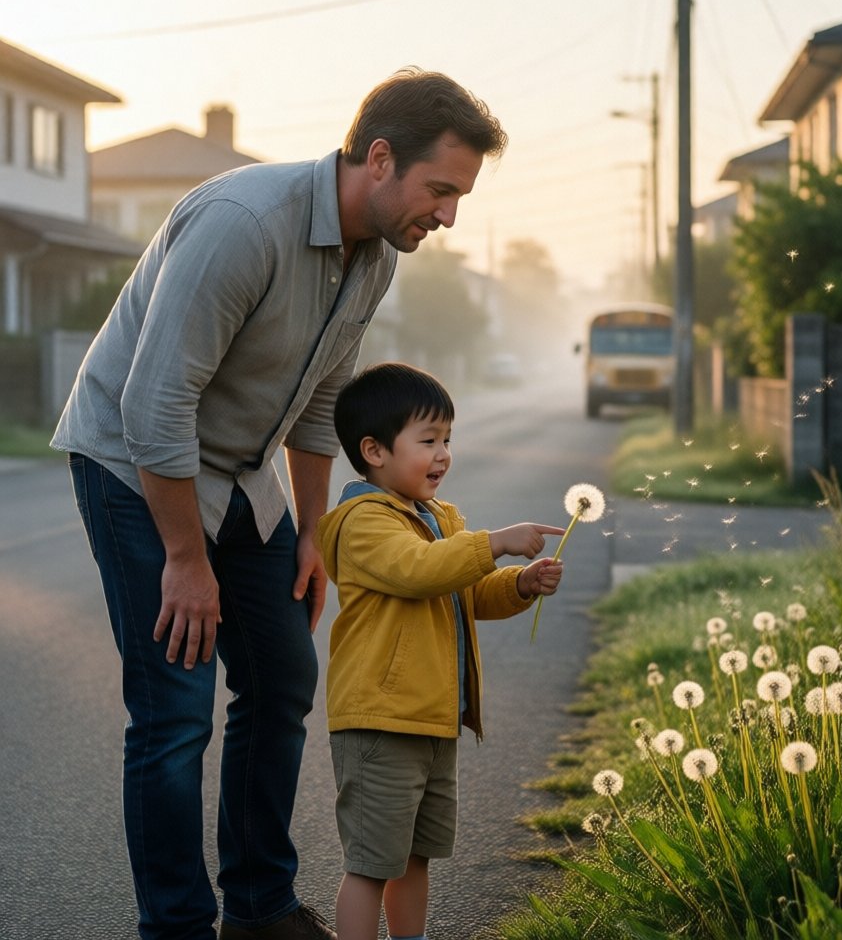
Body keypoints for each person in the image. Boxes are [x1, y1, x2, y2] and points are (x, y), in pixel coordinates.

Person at [50, 69, 506, 940]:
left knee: (283, 678)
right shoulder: (243, 223)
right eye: (441, 189)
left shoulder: (375, 255)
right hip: (136, 467)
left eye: (459, 197)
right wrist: (186, 561)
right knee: (175, 710)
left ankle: (258, 907)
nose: (449, 215)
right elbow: (154, 403)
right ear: (380, 159)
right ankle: (177, 926)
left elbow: (325, 399)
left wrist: (313, 532)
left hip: (241, 474)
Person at [316, 362, 565, 940]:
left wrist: (520, 583)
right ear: (374, 451)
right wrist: (494, 542)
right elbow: (420, 570)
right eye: (428, 440)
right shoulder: (362, 523)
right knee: (371, 863)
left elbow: (466, 592)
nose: (444, 454)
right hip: (380, 722)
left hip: (431, 719)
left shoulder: (439, 518)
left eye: (447, 439)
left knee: (415, 855)